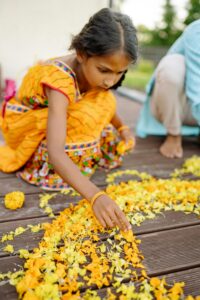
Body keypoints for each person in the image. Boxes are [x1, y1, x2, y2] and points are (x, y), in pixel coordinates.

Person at [0, 8, 138, 231]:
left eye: (120, 73)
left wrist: (122, 127)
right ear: (82, 54)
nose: (111, 80)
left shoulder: (99, 78)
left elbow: (105, 103)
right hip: (26, 122)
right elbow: (56, 153)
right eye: (104, 70)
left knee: (102, 103)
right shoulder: (59, 81)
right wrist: (95, 196)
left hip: (59, 115)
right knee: (82, 123)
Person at [136, 19, 200, 158]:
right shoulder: (196, 31)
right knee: (172, 65)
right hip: (177, 106)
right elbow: (196, 90)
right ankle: (173, 134)